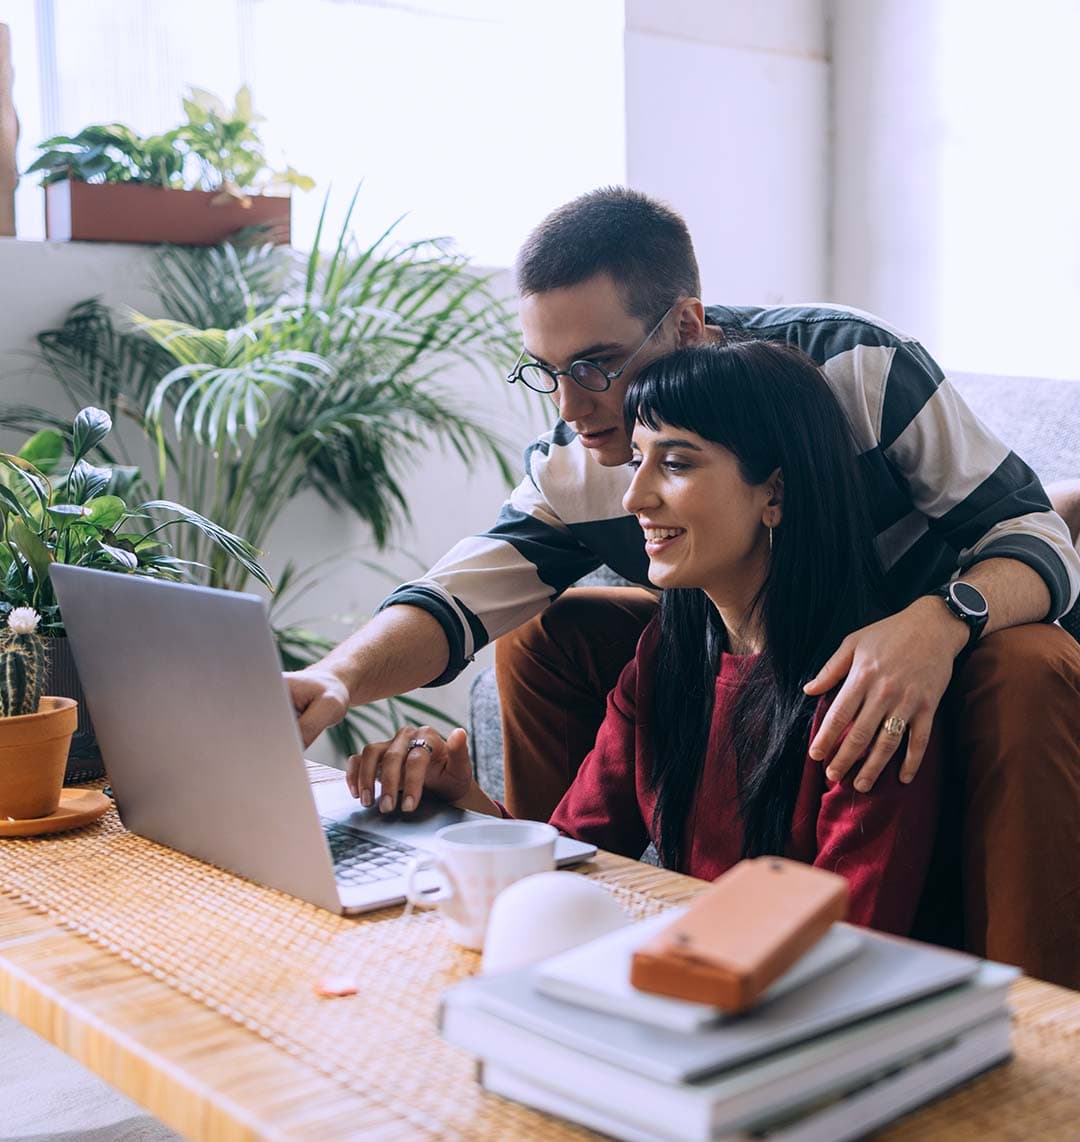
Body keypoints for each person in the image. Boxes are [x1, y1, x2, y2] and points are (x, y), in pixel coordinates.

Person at [287, 188, 1080, 984]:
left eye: (596, 364)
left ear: (686, 324)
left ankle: (1045, 1018)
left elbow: (1035, 535)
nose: (572, 405)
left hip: (923, 641)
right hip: (736, 629)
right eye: (550, 372)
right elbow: (463, 592)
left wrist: (935, 625)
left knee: (1024, 664)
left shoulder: (856, 368)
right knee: (545, 632)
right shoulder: (591, 459)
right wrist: (338, 680)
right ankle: (539, 916)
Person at [348, 342, 945, 936]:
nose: (634, 498)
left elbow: (855, 941)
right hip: (689, 976)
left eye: (677, 463)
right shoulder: (669, 653)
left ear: (776, 493)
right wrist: (462, 802)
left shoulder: (869, 691)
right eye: (637, 461)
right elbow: (573, 854)